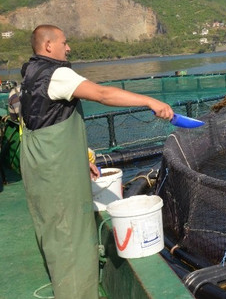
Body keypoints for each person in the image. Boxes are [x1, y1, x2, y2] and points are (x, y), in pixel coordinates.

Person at [19, 24, 174, 299]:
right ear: (48, 46)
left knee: (51, 227)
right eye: (64, 43)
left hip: (40, 167)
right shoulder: (58, 74)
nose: (68, 48)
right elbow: (103, 95)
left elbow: (42, 123)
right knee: (70, 235)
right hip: (57, 172)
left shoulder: (29, 73)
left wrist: (79, 157)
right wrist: (150, 101)